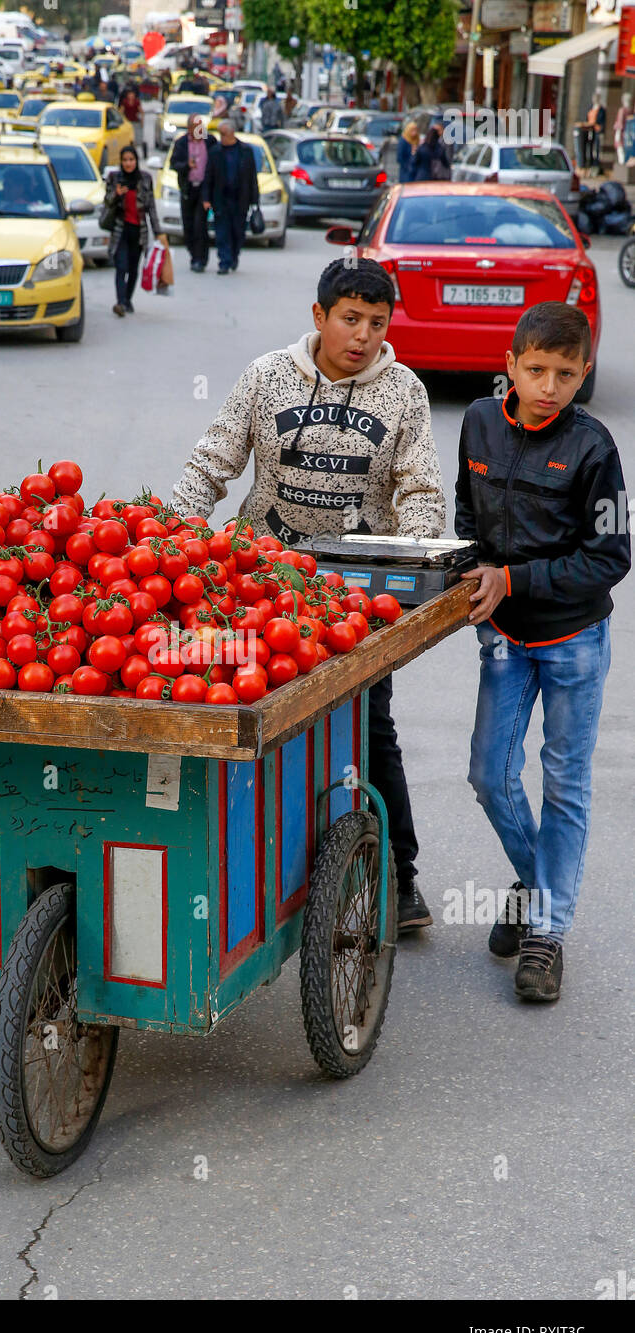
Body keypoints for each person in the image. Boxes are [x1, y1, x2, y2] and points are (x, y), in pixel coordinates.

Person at [170, 258, 445, 931]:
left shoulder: (404, 391)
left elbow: (421, 491)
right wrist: (167, 532)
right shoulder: (266, 378)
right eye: (350, 319)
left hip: (357, 596)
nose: (363, 336)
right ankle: (257, 875)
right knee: (250, 717)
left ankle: (401, 878)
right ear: (319, 316)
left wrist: (415, 563)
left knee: (370, 728)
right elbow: (213, 461)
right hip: (257, 584)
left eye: (377, 324)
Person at [455, 302, 630, 1001]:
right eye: (535, 370)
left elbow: (611, 557)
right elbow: (468, 517)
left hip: (573, 641)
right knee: (488, 775)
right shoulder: (477, 422)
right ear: (510, 367)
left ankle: (547, 935)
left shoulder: (594, 448)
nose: (549, 385)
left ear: (584, 371)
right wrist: (465, 574)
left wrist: (516, 578)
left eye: (564, 372)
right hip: (502, 640)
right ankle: (537, 887)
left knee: (565, 784)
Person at [103, 145, 165, 316]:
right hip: (120, 230)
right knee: (120, 267)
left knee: (133, 268)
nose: (128, 163)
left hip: (139, 232)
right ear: (121, 162)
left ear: (136, 161)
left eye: (131, 160)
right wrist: (115, 194)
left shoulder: (145, 179)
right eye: (125, 160)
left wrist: (158, 231)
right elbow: (106, 203)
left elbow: (151, 207)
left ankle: (128, 299)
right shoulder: (114, 178)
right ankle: (120, 303)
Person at [202, 121, 258, 275]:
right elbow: (209, 176)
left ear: (232, 133)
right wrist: (206, 198)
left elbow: (252, 177)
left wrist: (255, 201)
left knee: (238, 231)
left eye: (224, 134)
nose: (222, 137)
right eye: (220, 134)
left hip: (240, 199)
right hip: (221, 198)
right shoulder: (215, 152)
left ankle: (234, 255)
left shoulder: (245, 151)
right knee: (222, 231)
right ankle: (224, 261)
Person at [171, 113, 217, 272]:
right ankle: (193, 254)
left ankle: (200, 259)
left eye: (201, 125)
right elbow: (174, 164)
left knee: (200, 225)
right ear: (190, 127)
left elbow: (217, 162)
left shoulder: (210, 141)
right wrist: (186, 165)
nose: (199, 128)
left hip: (204, 190)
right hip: (188, 188)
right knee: (189, 225)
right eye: (195, 125)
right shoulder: (181, 143)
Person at [119, 82, 144, 156]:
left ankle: (134, 151)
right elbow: (121, 111)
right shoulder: (125, 102)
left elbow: (141, 112)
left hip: (135, 122)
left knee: (136, 138)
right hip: (128, 122)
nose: (131, 96)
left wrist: (142, 121)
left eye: (132, 94)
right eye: (130, 94)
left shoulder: (137, 102)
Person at [585, 90, 606, 171]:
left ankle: (596, 163)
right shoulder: (591, 107)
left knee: (596, 147)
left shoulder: (601, 109)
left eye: (596, 98)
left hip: (597, 130)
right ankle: (589, 162)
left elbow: (602, 121)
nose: (594, 99)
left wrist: (600, 129)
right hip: (590, 129)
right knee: (589, 145)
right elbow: (587, 118)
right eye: (594, 98)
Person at [613, 90, 633, 166]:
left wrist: (618, 133)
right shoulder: (629, 110)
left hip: (624, 132)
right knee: (623, 149)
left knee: (621, 149)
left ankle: (623, 163)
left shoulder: (623, 110)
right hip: (627, 132)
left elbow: (620, 123)